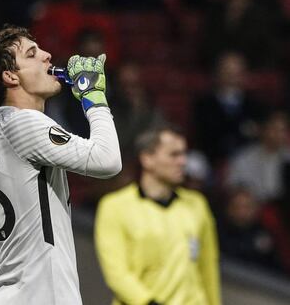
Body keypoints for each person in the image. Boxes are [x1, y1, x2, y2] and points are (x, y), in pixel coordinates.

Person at [0, 25, 121, 305]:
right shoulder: (24, 122)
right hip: (42, 295)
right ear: (10, 76)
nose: (47, 55)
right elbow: (107, 160)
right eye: (32, 54)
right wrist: (95, 99)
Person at [94, 123, 220, 305]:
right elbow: (116, 273)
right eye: (174, 154)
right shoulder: (114, 207)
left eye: (184, 154)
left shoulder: (197, 205)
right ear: (147, 159)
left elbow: (208, 267)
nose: (183, 161)